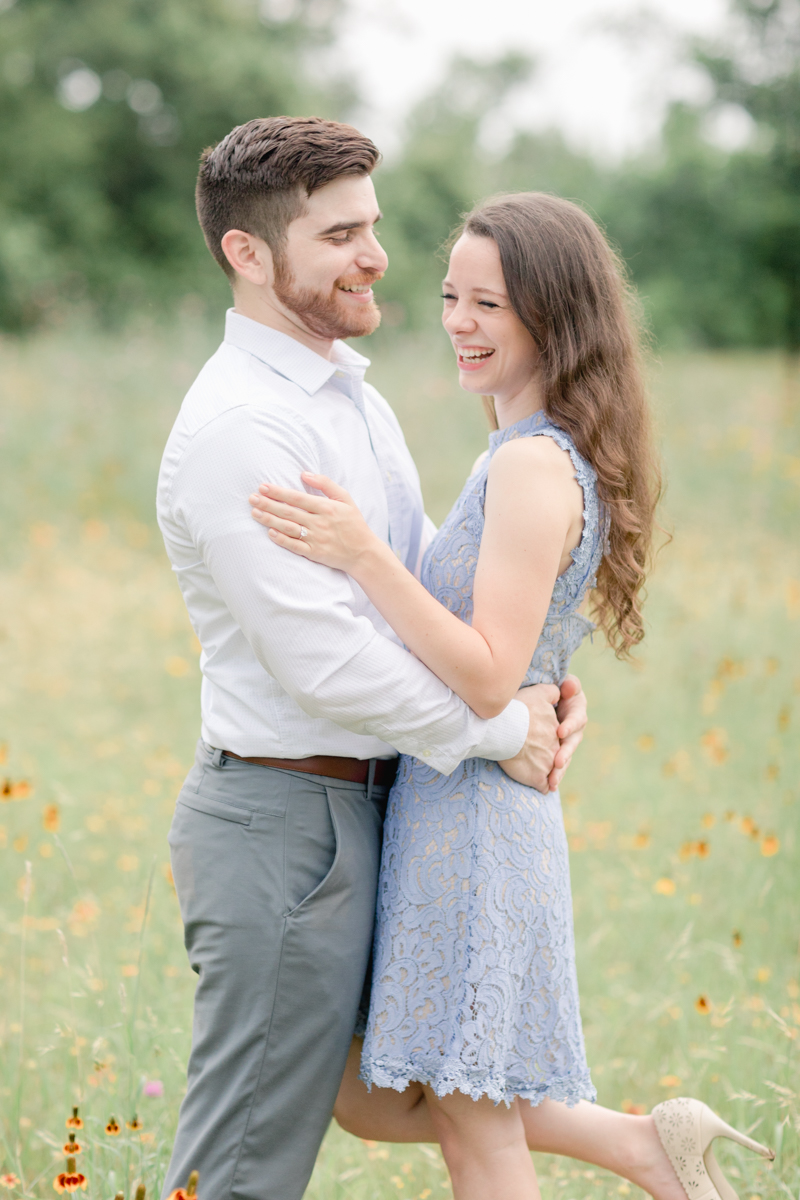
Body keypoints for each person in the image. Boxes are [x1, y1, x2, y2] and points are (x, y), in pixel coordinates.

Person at [249, 193, 775, 1200]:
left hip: (476, 823)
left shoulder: (533, 465)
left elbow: (488, 670)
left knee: (471, 1127)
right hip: (451, 802)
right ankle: (643, 1148)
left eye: (487, 302)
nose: (458, 320)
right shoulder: (514, 454)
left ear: (554, 317)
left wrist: (364, 556)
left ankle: (646, 1150)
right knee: (368, 1090)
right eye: (450, 295)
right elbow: (517, 655)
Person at [156, 118, 589, 1200]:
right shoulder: (241, 430)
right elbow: (328, 663)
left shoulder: (351, 396)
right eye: (339, 233)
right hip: (285, 822)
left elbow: (419, 580)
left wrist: (530, 675)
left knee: (413, 1093)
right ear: (248, 255)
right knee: (246, 1165)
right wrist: (501, 729)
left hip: (383, 808)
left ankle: (640, 1146)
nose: (375, 256)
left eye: (372, 227)